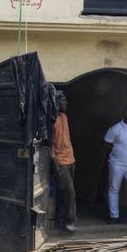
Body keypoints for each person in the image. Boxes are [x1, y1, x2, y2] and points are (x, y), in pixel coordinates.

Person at [52, 92, 76, 233]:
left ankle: (60, 220)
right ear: (56, 102)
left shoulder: (64, 117)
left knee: (63, 192)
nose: (66, 103)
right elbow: (49, 145)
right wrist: (55, 165)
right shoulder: (52, 120)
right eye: (63, 101)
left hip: (70, 159)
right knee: (70, 192)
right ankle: (70, 220)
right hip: (60, 162)